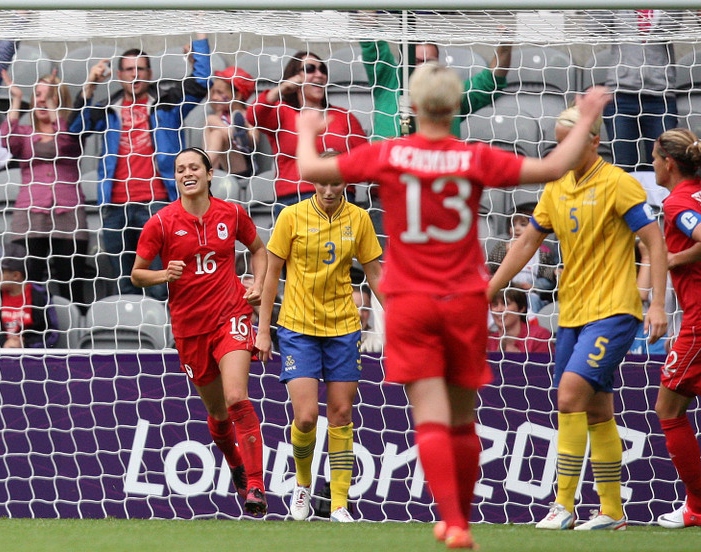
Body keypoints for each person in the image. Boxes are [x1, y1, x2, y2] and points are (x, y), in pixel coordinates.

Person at [293, 63, 613, 546]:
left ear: (414, 107)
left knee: (430, 414)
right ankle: (458, 519)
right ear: (458, 105)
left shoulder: (391, 153)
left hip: (411, 302)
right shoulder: (473, 157)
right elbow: (551, 168)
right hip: (465, 299)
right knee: (464, 420)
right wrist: (586, 117)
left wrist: (305, 128)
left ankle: (454, 523)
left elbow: (311, 170)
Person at [488, 104, 668, 531]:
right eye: (556, 140)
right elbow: (527, 242)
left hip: (614, 310)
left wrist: (657, 304)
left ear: (594, 141)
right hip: (572, 312)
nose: (561, 147)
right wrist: (489, 288)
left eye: (568, 139)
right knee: (596, 411)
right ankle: (612, 512)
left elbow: (654, 243)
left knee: (568, 396)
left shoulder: (618, 185)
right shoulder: (557, 187)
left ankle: (563, 505)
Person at [132, 147, 269, 516]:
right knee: (218, 414)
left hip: (231, 315)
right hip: (190, 328)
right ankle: (236, 464)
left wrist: (257, 283)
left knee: (237, 397)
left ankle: (255, 486)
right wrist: (164, 274)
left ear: (210, 174)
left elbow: (259, 250)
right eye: (180, 170)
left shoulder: (233, 213)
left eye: (194, 167)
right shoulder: (161, 222)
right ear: (175, 178)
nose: (186, 173)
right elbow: (137, 273)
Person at [255, 147, 384, 523]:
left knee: (342, 414)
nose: (329, 189)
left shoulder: (359, 219)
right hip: (297, 328)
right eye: (322, 182)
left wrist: (400, 320)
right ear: (311, 181)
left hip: (344, 327)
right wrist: (263, 330)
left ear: (346, 181)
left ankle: (340, 503)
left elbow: (375, 275)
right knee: (308, 416)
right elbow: (271, 276)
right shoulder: (291, 216)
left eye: (336, 182)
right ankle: (302, 486)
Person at [70, 34, 211, 298]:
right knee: (123, 285)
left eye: (140, 69)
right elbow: (74, 130)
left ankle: (161, 338)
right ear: (119, 74)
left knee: (160, 285)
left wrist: (200, 40)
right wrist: (89, 85)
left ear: (150, 73)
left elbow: (202, 81)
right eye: (128, 69)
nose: (134, 75)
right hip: (115, 209)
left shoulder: (167, 104)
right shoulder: (106, 109)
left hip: (157, 206)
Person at [2, 72, 95, 307]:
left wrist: (54, 106)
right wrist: (16, 99)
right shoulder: (24, 134)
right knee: (29, 282)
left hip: (69, 213)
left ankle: (74, 337)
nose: (42, 101)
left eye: (49, 95)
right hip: (29, 214)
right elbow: (7, 141)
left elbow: (65, 141)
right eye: (38, 96)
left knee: (71, 282)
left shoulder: (73, 129)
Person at [647, 128, 701, 528]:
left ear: (669, 162)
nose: (650, 164)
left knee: (668, 407)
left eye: (653, 157)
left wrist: (673, 260)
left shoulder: (678, 202)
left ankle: (698, 508)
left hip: (699, 323)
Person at [246, 52, 366, 213]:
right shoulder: (283, 112)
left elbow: (363, 158)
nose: (319, 74)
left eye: (322, 69)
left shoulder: (344, 116)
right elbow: (253, 115)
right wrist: (282, 88)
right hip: (293, 199)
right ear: (295, 76)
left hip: (339, 198)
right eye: (310, 69)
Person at [360, 38, 513, 140]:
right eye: (417, 61)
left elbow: (491, 80)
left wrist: (505, 47)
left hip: (437, 178)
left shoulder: (449, 94)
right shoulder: (387, 80)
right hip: (384, 181)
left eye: (429, 62)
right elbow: (370, 38)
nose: (423, 68)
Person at [589, 10, 681, 171]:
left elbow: (672, 28)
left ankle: (665, 198)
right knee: (624, 166)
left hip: (660, 95)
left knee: (666, 165)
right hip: (621, 94)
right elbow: (594, 28)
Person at [0, 245, 58, 349]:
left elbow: (52, 334)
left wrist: (25, 344)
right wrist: (4, 343)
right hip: (0, 356)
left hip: (33, 358)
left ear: (16, 276)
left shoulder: (40, 296)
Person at [486, 202, 559, 314]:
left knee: (532, 300)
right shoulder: (503, 246)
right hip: (506, 290)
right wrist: (506, 250)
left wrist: (537, 284)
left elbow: (545, 273)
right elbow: (492, 267)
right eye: (513, 225)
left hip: (529, 292)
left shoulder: (542, 250)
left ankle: (530, 323)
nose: (516, 228)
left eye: (523, 224)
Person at [205, 66, 257, 178]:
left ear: (237, 95)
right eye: (213, 92)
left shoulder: (248, 115)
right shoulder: (219, 115)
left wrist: (247, 136)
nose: (214, 97)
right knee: (212, 123)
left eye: (219, 93)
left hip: (241, 167)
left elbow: (254, 141)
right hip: (218, 166)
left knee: (215, 129)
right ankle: (234, 133)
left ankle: (202, 164)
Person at [487, 288, 553, 354]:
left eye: (506, 304)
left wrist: (517, 354)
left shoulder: (539, 336)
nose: (499, 310)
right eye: (495, 305)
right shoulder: (488, 340)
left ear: (521, 308)